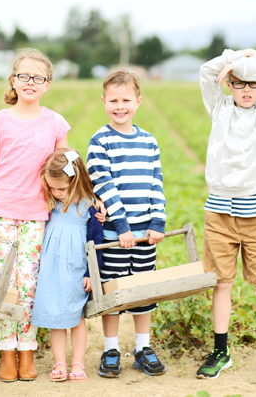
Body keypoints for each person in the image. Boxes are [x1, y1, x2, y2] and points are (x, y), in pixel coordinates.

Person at [0, 48, 70, 382]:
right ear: (13, 80)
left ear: (47, 84)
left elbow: (65, 170)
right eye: (23, 76)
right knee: (6, 283)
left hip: (37, 215)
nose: (30, 82)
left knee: (29, 284)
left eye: (37, 78)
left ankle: (27, 349)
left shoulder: (56, 122)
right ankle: (6, 351)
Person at [196, 48, 256, 384]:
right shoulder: (219, 107)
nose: (247, 90)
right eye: (239, 83)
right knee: (221, 284)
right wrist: (234, 56)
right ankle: (221, 351)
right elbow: (206, 72)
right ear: (229, 85)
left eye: (254, 83)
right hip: (220, 213)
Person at [87, 70, 167, 378]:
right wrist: (121, 226)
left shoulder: (149, 141)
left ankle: (142, 347)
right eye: (114, 100)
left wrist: (157, 221)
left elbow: (156, 184)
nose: (120, 106)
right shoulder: (100, 141)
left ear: (138, 101)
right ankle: (110, 348)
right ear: (104, 101)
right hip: (113, 234)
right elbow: (103, 184)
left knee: (142, 290)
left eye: (126, 100)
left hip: (145, 234)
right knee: (114, 292)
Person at [30, 148, 104, 383]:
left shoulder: (88, 206)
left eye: (62, 188)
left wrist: (92, 273)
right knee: (55, 315)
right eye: (52, 187)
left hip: (75, 270)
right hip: (51, 269)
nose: (56, 192)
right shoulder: (49, 202)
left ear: (76, 181)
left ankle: (78, 363)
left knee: (76, 316)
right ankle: (59, 362)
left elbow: (96, 244)